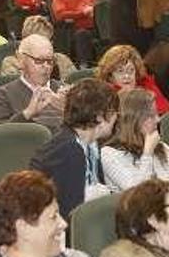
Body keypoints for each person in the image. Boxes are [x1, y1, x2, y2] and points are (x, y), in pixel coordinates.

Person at [30, 78, 119, 218]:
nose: (116, 117)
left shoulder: (91, 144)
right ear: (101, 117)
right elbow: (71, 213)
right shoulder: (69, 151)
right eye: (114, 112)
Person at [101, 89, 169, 200]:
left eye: (157, 114)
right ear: (133, 120)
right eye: (151, 116)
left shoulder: (163, 148)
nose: (158, 119)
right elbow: (139, 196)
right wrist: (147, 154)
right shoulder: (109, 154)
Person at [96, 44, 169, 115]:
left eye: (131, 70)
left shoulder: (147, 86)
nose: (127, 76)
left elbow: (168, 112)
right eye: (120, 71)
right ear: (110, 76)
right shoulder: (106, 97)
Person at [0, 15, 75, 81]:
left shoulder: (61, 60)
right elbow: (15, 91)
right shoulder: (11, 63)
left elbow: (75, 85)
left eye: (49, 40)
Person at [52, 0, 96, 68]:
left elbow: (90, 9)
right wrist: (82, 13)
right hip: (70, 31)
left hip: (92, 29)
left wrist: (74, 15)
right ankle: (83, 66)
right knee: (82, 34)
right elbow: (61, 15)